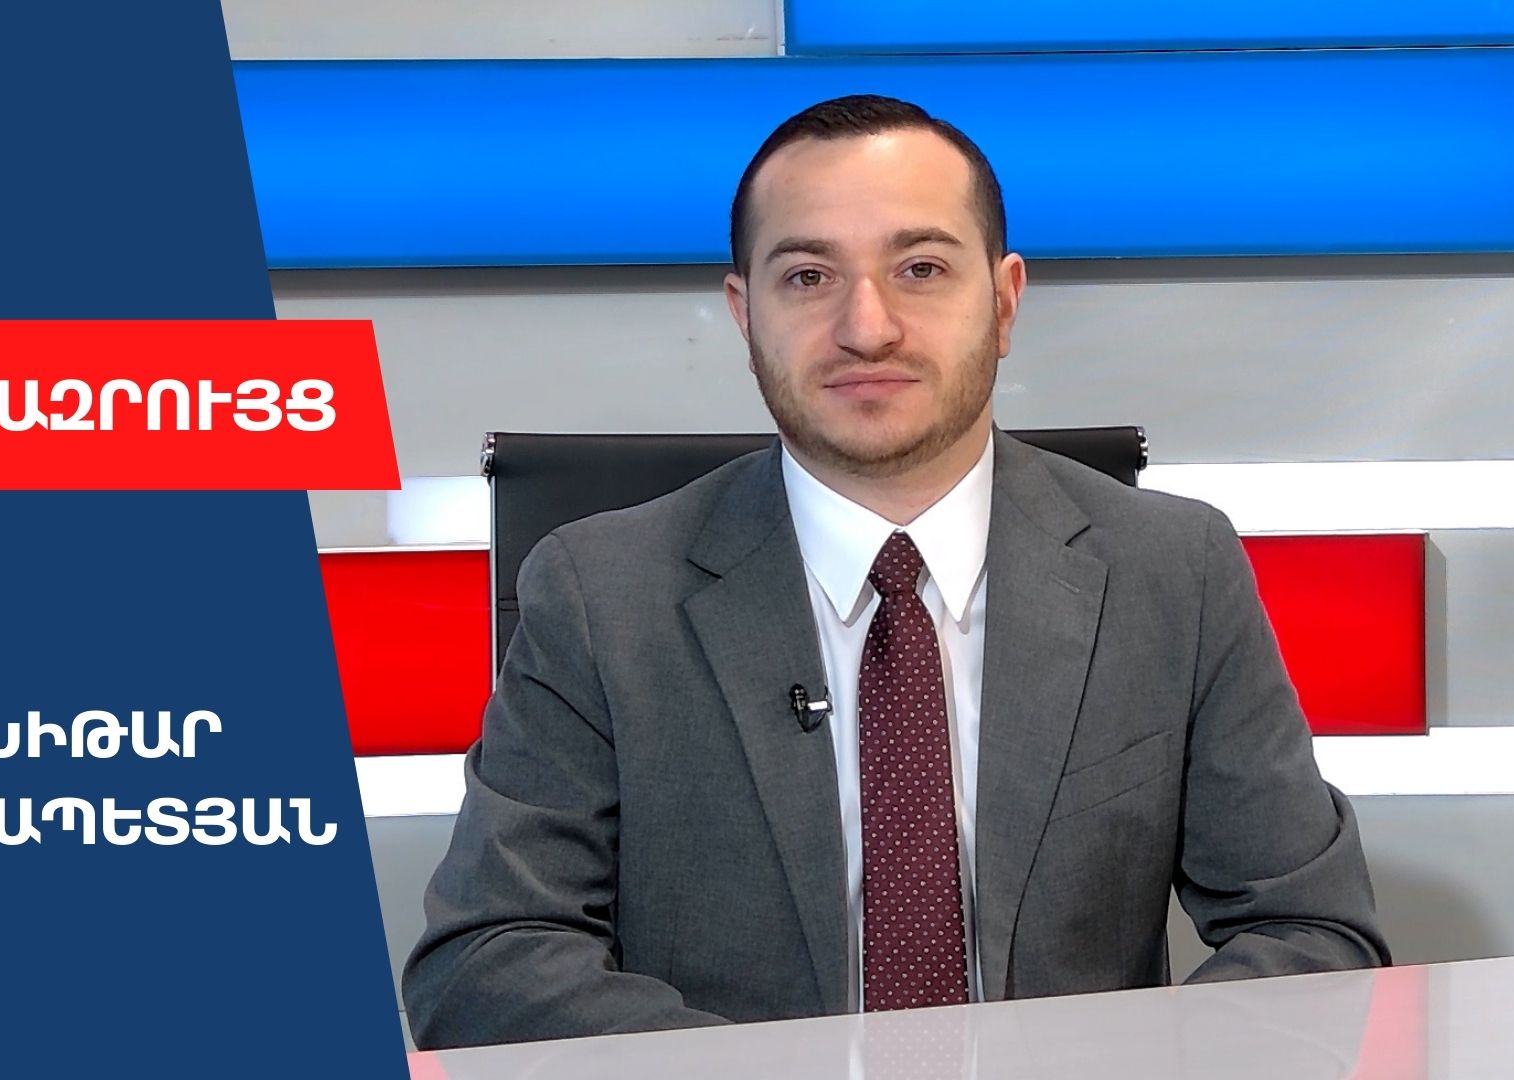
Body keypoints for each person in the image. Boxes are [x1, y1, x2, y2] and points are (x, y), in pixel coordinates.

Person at [403, 94, 1388, 1049]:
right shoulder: (599, 593)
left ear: (1003, 300)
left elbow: (1312, 936)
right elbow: (488, 965)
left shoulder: (1173, 571)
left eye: (920, 268)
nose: (867, 326)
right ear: (744, 315)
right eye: (808, 277)